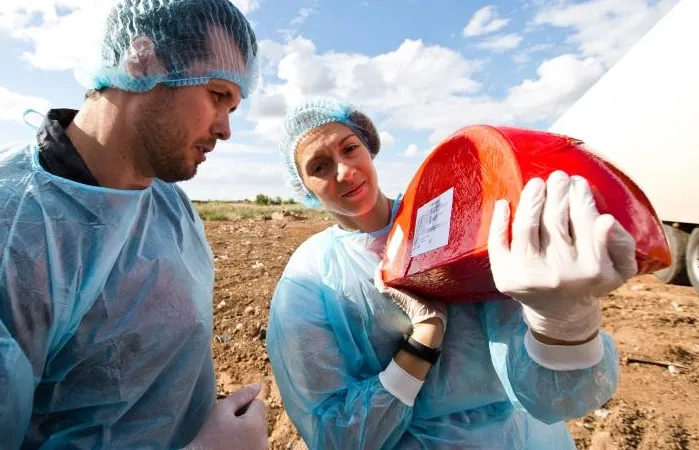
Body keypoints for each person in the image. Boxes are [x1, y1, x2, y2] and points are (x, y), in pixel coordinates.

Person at [0, 1, 269, 449]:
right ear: (142, 60)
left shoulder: (171, 205)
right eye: (218, 95)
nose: (225, 130)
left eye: (234, 108)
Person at [266, 96, 638, 449]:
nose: (345, 171)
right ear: (305, 189)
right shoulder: (312, 278)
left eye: (350, 149)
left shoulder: (447, 219)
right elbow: (337, 435)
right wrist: (423, 340)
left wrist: (564, 323)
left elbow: (553, 396)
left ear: (368, 146)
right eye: (319, 166)